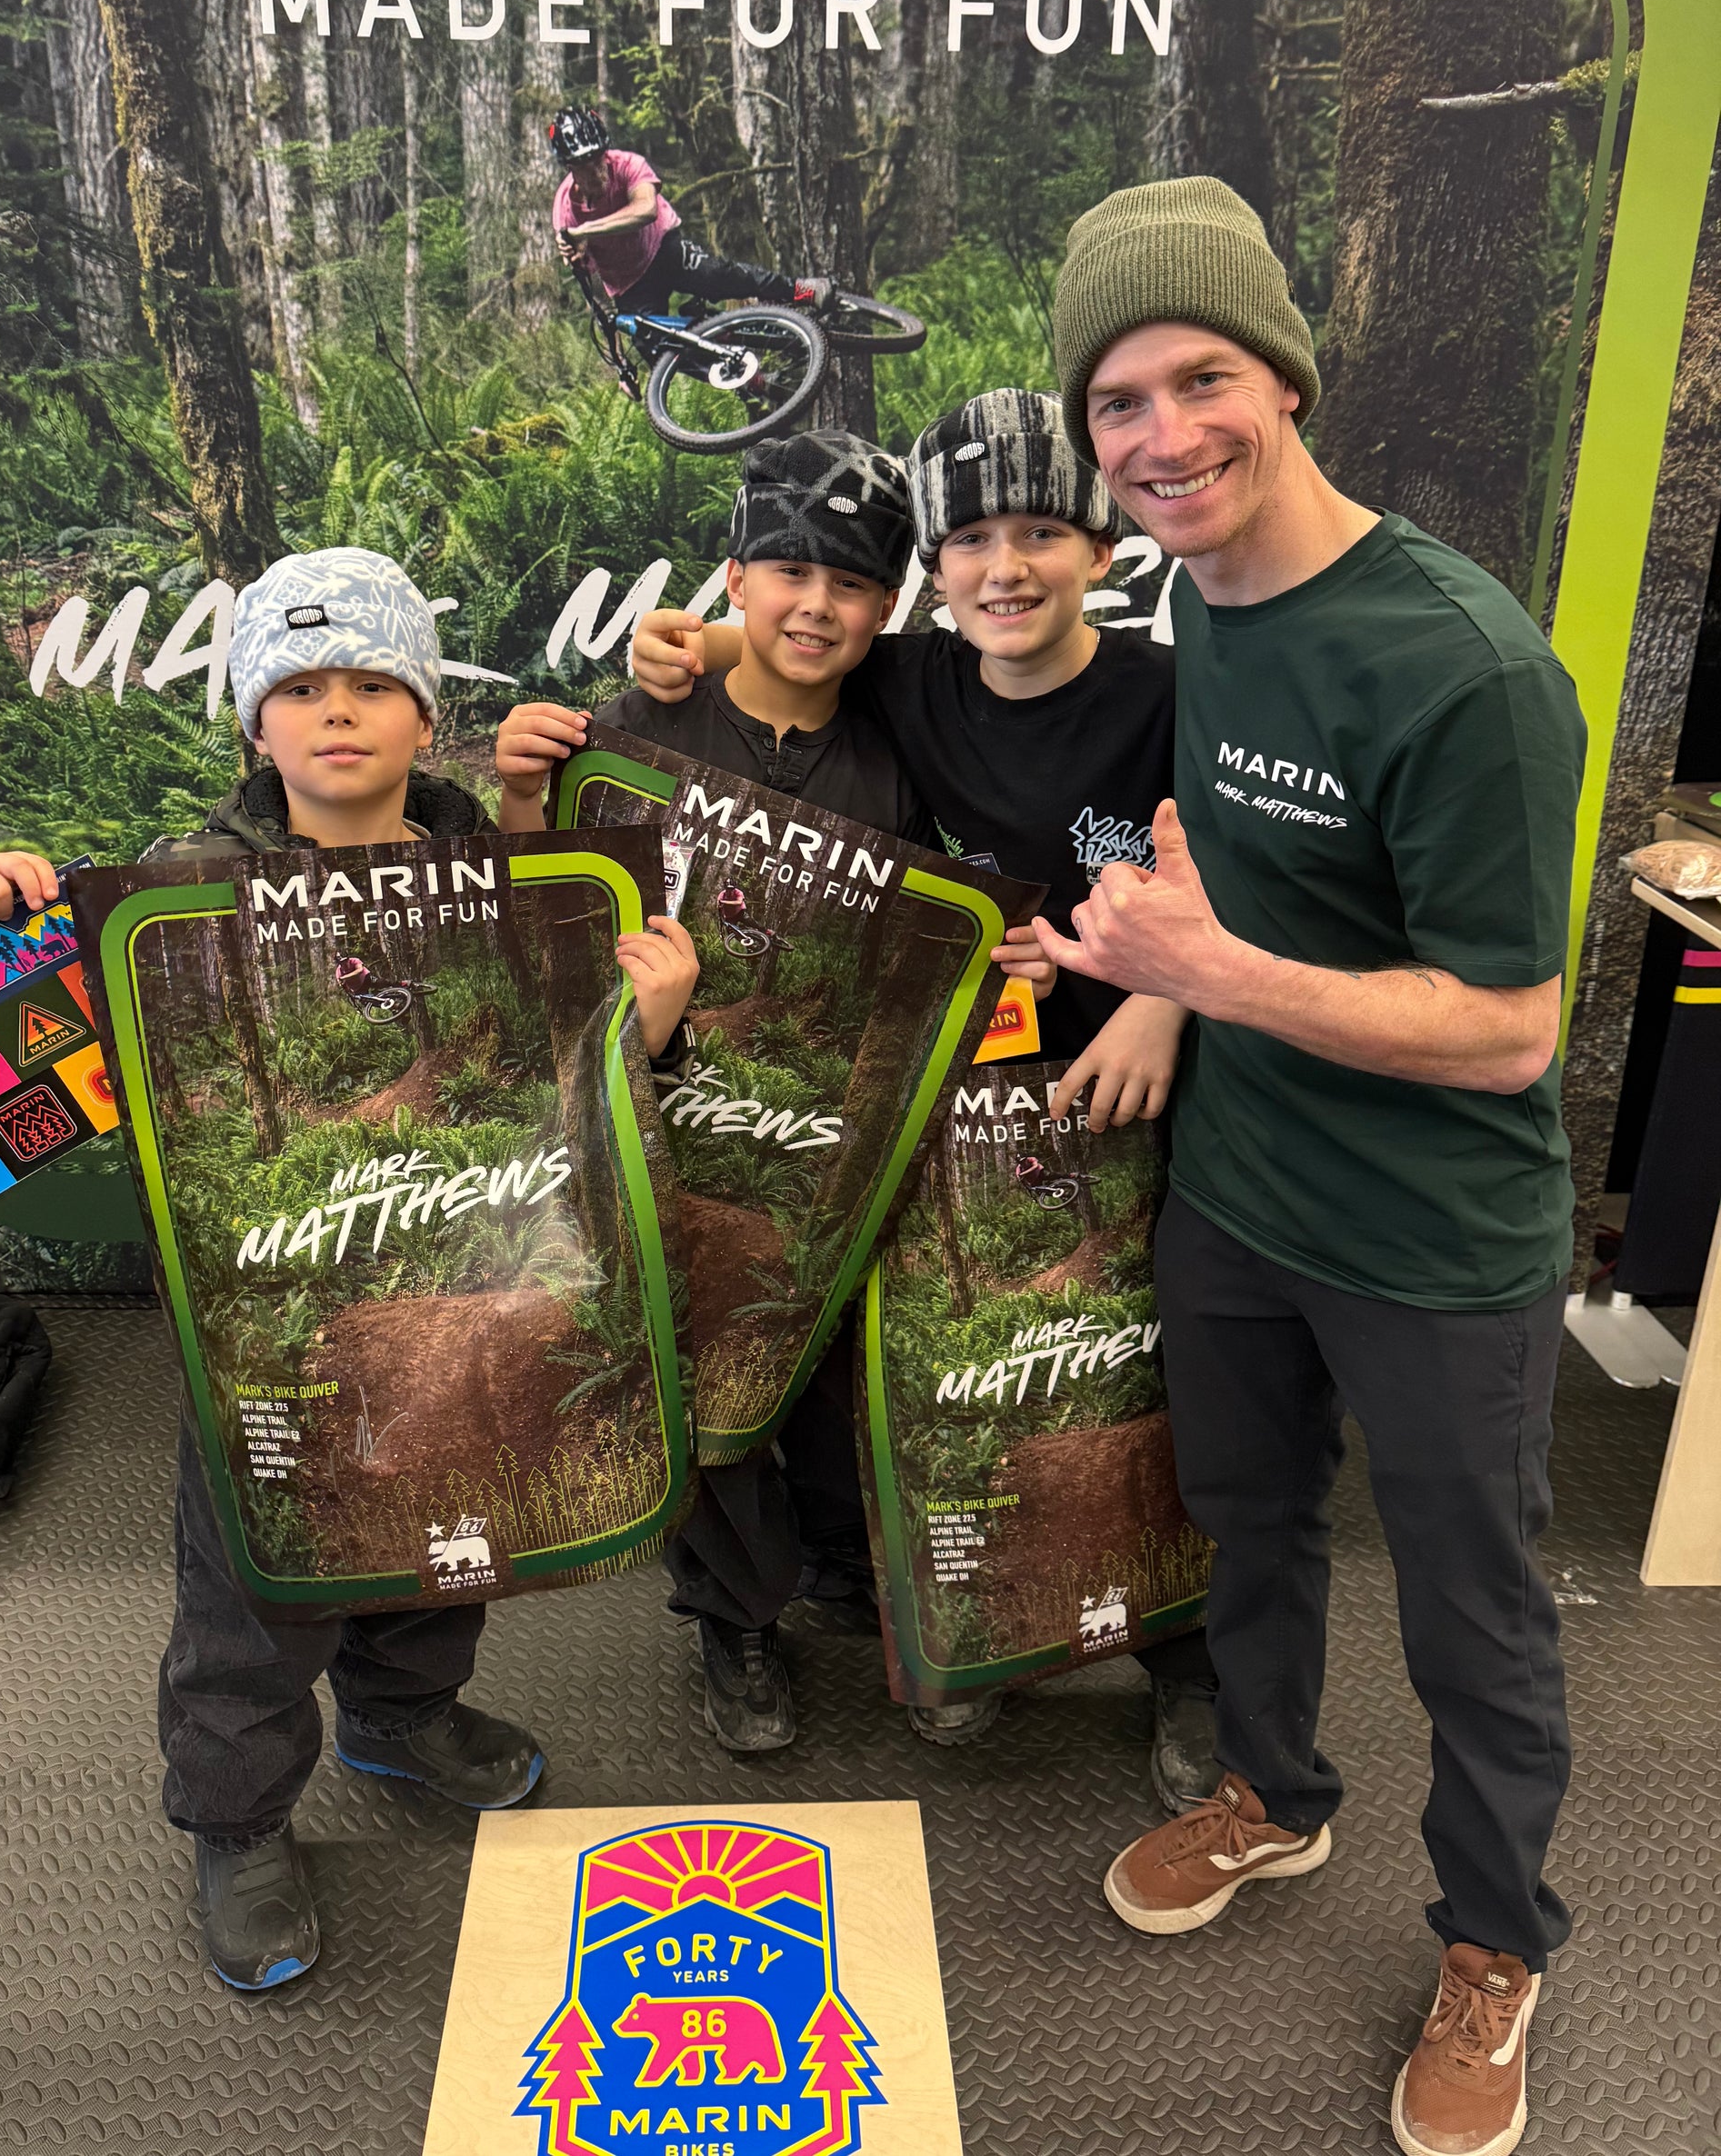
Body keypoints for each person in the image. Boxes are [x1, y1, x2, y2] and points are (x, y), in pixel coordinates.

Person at [0, 546, 697, 1996]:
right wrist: (3, 911)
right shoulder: (175, 894)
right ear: (252, 719)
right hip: (271, 1330)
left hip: (470, 1290)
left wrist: (649, 1020)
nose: (333, 711)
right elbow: (38, 1052)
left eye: (370, 681)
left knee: (446, 1519)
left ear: (427, 715)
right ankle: (238, 1820)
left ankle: (404, 1715)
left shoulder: (511, 887)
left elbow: (575, 1095)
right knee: (254, 1587)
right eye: (296, 683)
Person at [1039, 175, 1585, 2156]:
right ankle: (1271, 1793)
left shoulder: (1461, 665)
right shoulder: (1203, 592)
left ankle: (1496, 1941)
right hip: (1239, 1193)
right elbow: (1225, 847)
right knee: (1242, 1518)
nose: (1162, 435)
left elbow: (1512, 1024)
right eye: (1116, 401)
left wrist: (1216, 970)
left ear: (1287, 379)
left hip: (1435, 1239)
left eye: (1202, 379)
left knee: (1470, 1612)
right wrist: (1153, 985)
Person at [627, 387, 1225, 1809]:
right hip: (964, 1099)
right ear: (935, 576)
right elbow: (790, 641)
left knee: (1160, 1371)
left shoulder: (1175, 691)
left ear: (1101, 542)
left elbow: (1262, 857)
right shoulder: (914, 681)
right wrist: (688, 644)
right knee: (981, 1369)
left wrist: (1162, 993)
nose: (1006, 566)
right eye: (972, 539)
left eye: (1040, 531)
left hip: (1161, 1085)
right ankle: (976, 1630)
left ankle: (1192, 1656)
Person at [496, 432, 926, 1757]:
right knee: (702, 1353)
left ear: (890, 606)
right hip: (663, 1107)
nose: (814, 603)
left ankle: (861, 1582)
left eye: (850, 581)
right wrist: (516, 791)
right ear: (733, 574)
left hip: (825, 1120)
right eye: (787, 569)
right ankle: (732, 1614)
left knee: (836, 1353)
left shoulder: (906, 744)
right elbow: (535, 918)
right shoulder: (632, 732)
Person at [549, 103, 830, 318]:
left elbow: (646, 209)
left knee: (716, 276)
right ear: (569, 168)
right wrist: (620, 361)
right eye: (585, 165)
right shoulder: (565, 212)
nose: (597, 171)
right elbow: (590, 282)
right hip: (628, 286)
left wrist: (585, 231)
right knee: (659, 351)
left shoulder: (628, 165)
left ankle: (800, 290)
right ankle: (751, 379)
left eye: (599, 158)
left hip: (662, 247)